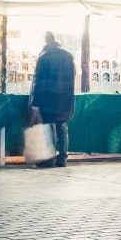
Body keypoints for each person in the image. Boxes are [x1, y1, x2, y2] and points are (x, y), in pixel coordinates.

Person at [29, 31, 76, 167]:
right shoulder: (68, 55)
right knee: (62, 127)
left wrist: (35, 102)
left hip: (48, 98)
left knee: (49, 129)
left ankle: (48, 160)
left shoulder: (44, 57)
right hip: (65, 97)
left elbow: (39, 82)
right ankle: (62, 159)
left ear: (45, 40)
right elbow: (73, 76)